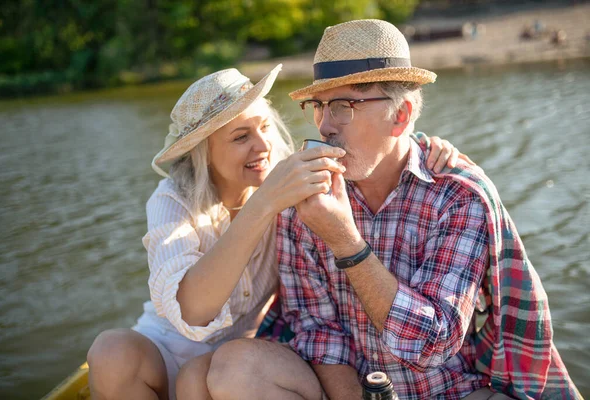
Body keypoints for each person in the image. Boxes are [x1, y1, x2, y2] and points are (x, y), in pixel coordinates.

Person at [207, 20, 581, 400]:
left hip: (450, 391)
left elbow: (435, 344)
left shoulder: (457, 197)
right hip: (351, 391)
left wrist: (346, 242)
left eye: (342, 107)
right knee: (232, 366)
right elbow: (317, 330)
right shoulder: (304, 199)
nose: (324, 127)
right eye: (318, 107)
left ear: (400, 116)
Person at [86, 63, 465, 400]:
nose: (263, 146)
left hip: (233, 358)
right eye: (240, 137)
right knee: (111, 352)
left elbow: (373, 145)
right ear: (203, 153)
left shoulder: (288, 179)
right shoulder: (173, 200)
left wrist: (427, 144)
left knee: (198, 379)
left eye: (265, 126)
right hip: (165, 349)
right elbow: (194, 312)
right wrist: (263, 203)